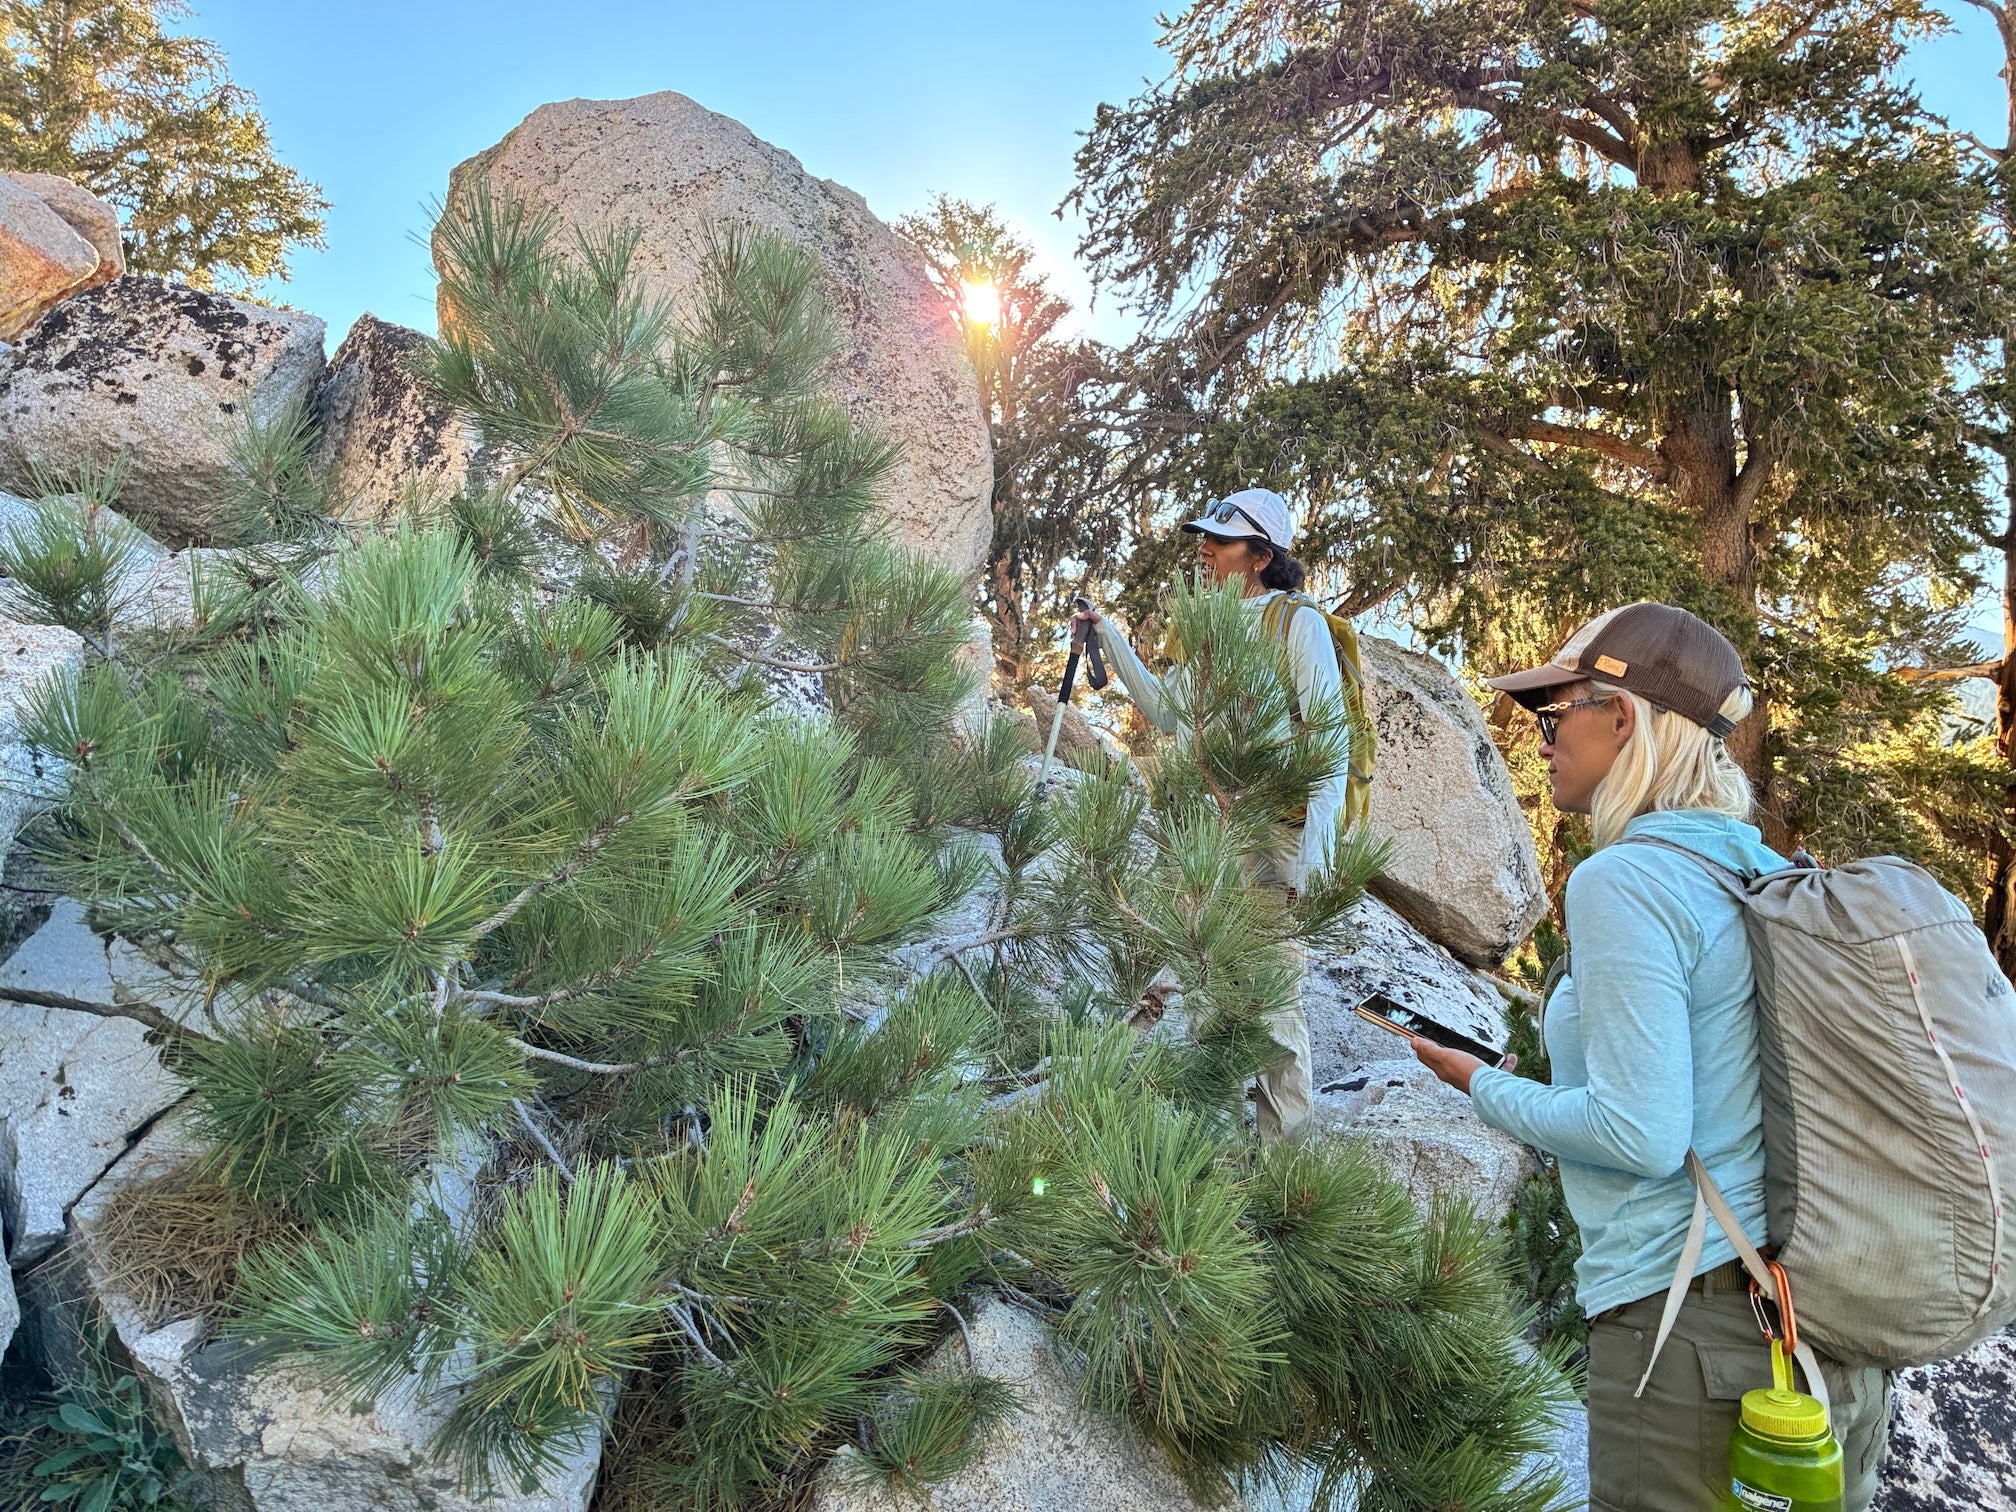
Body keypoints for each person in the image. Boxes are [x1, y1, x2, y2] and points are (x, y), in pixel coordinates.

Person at [1407, 602, 1891, 1512]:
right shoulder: (1756, 869)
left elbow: (1640, 1132)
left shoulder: (1625, 879)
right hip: (1814, 1334)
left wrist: (1485, 1086)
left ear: (1621, 717)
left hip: (1690, 1336)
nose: (1542, 742)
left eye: (1554, 718)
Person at [1072, 487, 1346, 1143]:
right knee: (1190, 995)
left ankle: (1285, 1184)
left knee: (1273, 1009)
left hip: (1274, 840)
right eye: (1205, 537)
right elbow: (1168, 712)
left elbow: (1328, 743)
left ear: (1259, 554)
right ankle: (1208, 1166)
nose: (1204, 548)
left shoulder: (1296, 621)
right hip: (1211, 838)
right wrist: (1108, 635)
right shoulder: (1215, 630)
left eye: (1219, 540)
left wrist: (1316, 859)